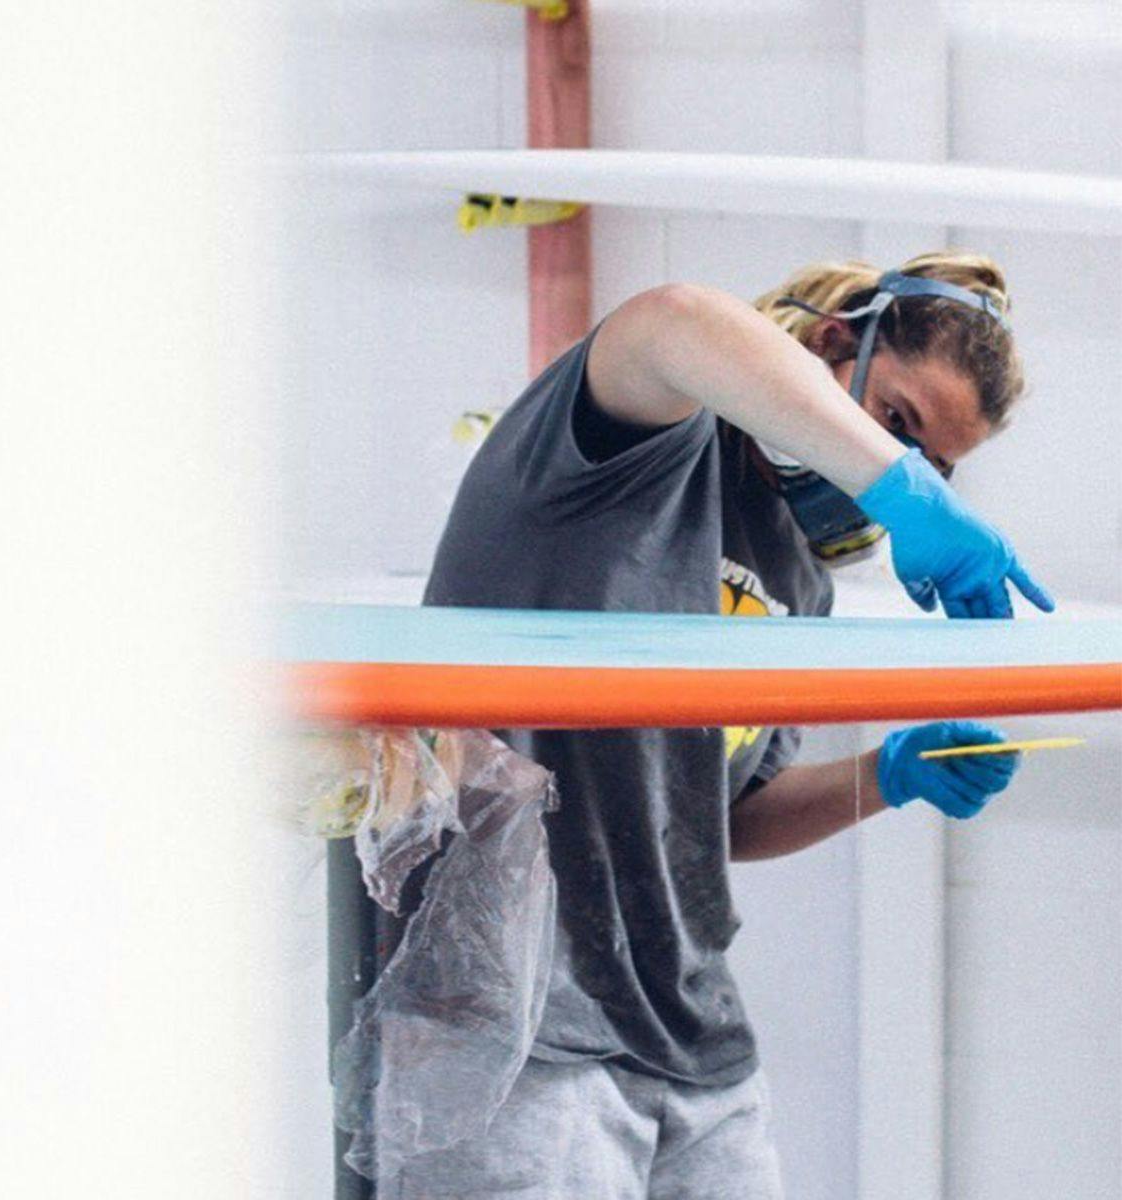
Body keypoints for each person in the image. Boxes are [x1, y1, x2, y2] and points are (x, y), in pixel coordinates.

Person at [405, 253, 1046, 1199]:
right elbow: (675, 318)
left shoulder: (796, 573)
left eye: (938, 469)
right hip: (515, 1025)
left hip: (695, 1042)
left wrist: (891, 773)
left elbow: (729, 817)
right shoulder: (630, 445)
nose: (908, 470)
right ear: (833, 345)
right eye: (899, 425)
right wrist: (899, 489)